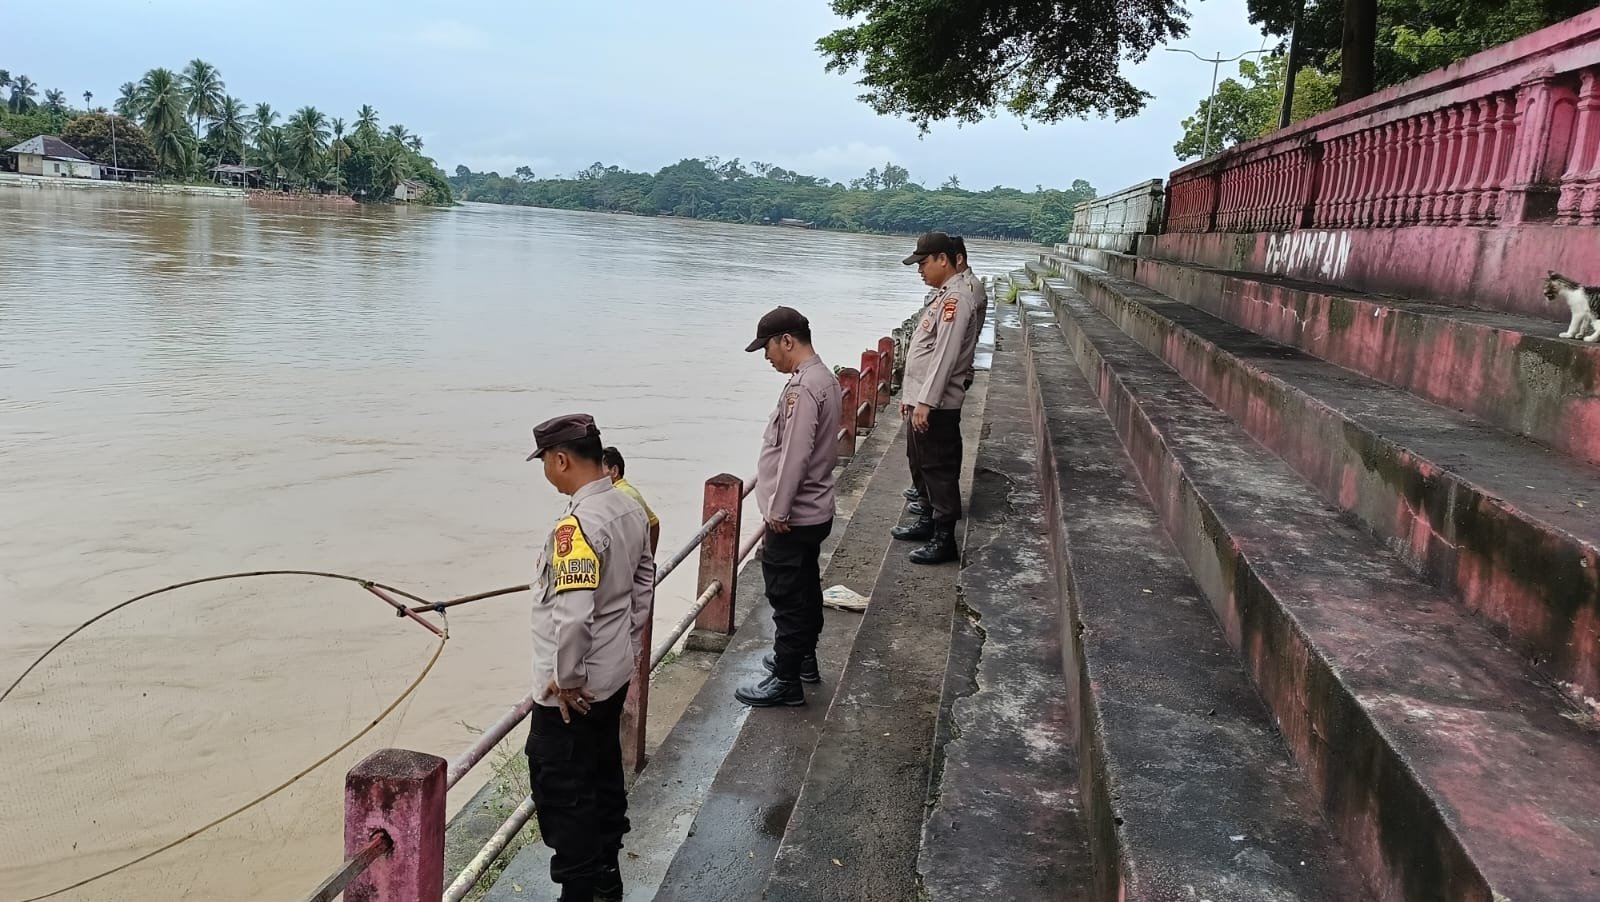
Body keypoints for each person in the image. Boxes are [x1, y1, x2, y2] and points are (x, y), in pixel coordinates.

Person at [524, 414, 655, 902]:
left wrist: (568, 679)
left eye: (545, 462)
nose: (546, 471)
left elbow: (574, 617)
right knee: (602, 774)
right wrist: (630, 647)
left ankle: (581, 890)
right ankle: (606, 881)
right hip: (614, 673)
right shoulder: (629, 507)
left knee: (563, 790)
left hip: (572, 695)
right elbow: (643, 585)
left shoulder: (575, 527)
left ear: (560, 460)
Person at [737, 306, 842, 706]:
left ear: (787, 341)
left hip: (794, 516)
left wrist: (777, 510)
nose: (767, 358)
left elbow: (795, 454)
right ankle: (801, 661)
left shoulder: (803, 388)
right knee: (805, 590)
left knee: (787, 596)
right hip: (814, 508)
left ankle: (786, 680)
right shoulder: (824, 379)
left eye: (767, 348)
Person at [895, 231, 983, 565]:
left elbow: (945, 356)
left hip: (938, 404)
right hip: (923, 399)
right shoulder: (943, 295)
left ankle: (943, 538)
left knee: (938, 468)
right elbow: (923, 352)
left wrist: (926, 402)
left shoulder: (955, 300)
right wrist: (911, 396)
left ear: (943, 260)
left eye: (923, 262)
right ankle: (927, 522)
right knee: (922, 463)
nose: (919, 270)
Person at [602, 446, 660, 555]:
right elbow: (654, 524)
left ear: (614, 471)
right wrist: (650, 561)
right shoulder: (630, 490)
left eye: (599, 470)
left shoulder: (617, 495)